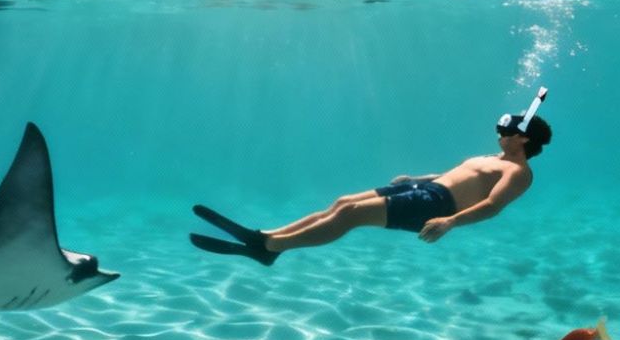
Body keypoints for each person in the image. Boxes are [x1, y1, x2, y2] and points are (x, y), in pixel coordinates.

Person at [190, 94, 550, 265]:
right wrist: (417, 177)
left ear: (523, 138)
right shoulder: (493, 157)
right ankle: (268, 236)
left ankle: (270, 250)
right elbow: (455, 176)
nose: (500, 131)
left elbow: (492, 206)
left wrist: (449, 222)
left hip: (435, 205)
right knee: (343, 203)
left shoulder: (518, 173)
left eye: (508, 129)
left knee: (350, 217)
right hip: (426, 189)